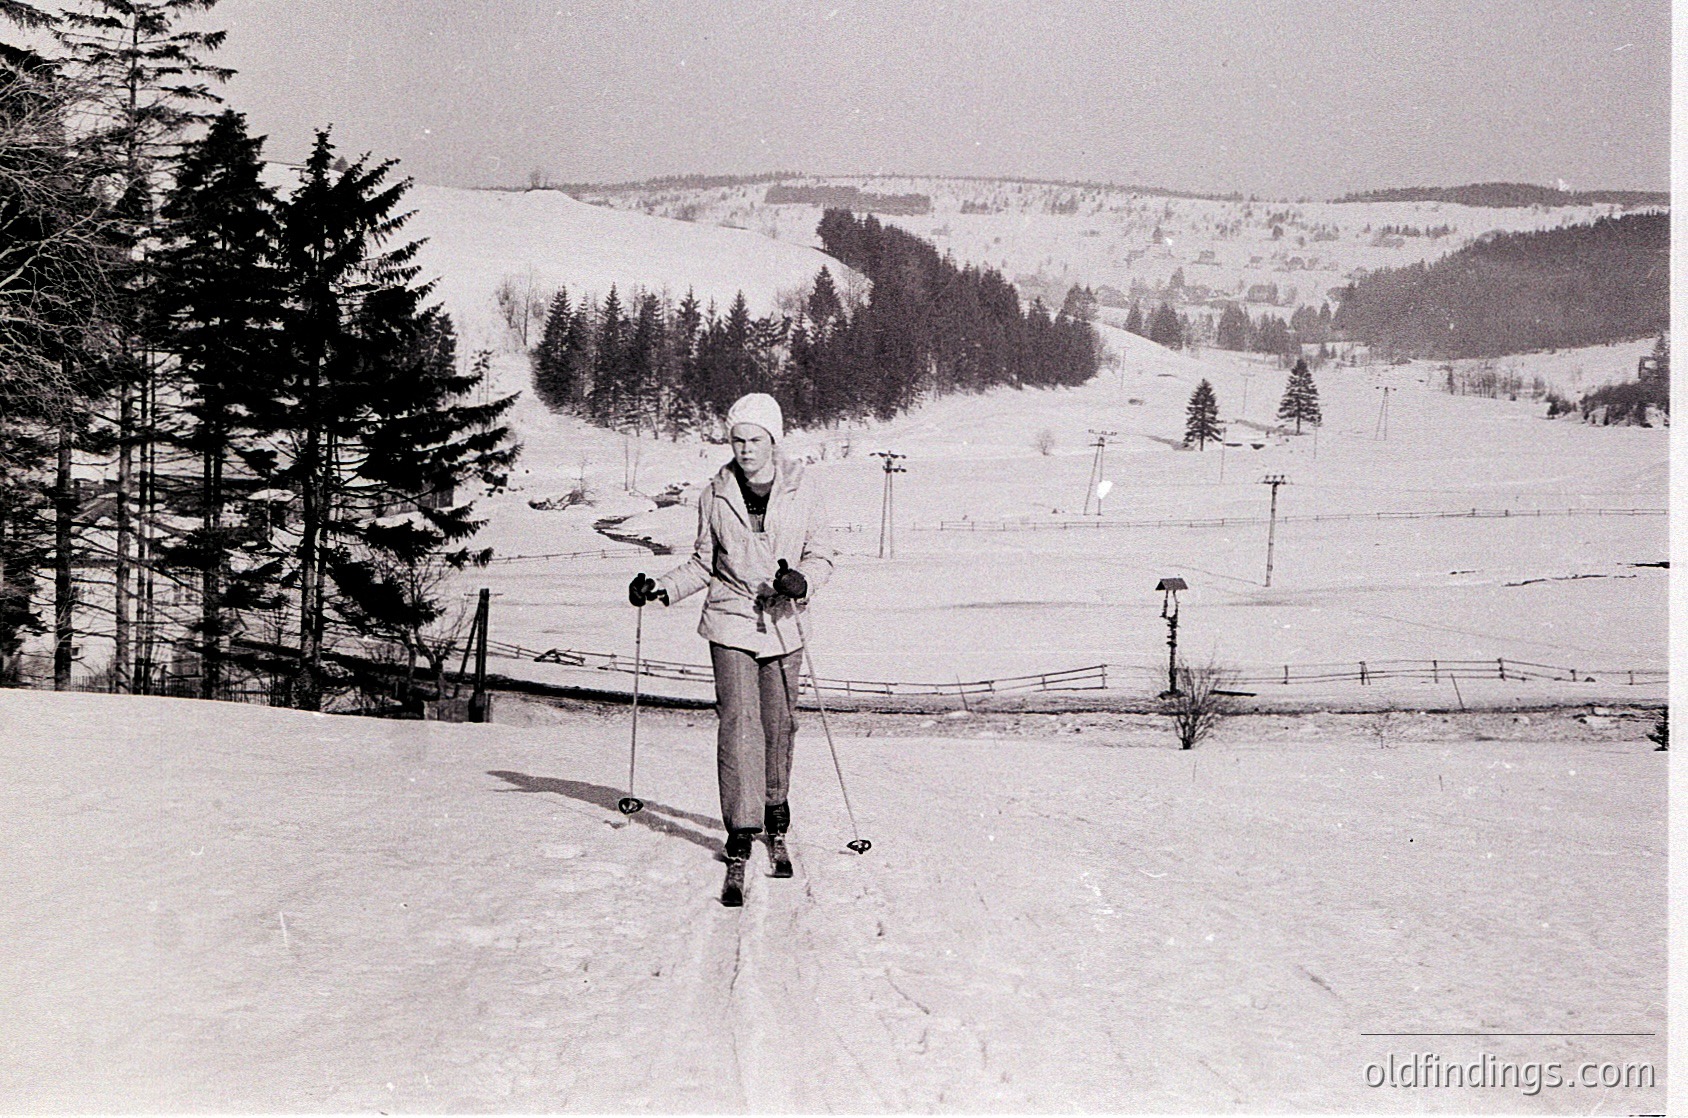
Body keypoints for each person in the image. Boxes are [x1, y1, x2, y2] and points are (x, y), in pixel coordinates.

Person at [627, 393, 835, 906]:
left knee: (780, 722)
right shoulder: (714, 494)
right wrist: (661, 587)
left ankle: (775, 816)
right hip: (729, 618)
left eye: (755, 440)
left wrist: (800, 581)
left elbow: (824, 553)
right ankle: (741, 830)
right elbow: (704, 562)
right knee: (740, 724)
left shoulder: (803, 489)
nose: (745, 449)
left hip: (783, 621)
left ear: (774, 441)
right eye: (738, 440)